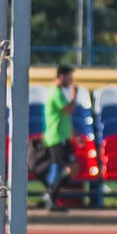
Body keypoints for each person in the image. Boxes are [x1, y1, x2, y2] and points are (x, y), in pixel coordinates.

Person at [38, 65, 78, 211]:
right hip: (56, 137)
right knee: (64, 167)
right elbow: (69, 110)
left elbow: (63, 117)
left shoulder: (58, 92)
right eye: (69, 77)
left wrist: (74, 134)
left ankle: (50, 195)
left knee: (68, 168)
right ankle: (51, 197)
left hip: (62, 137)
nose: (71, 81)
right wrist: (74, 96)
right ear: (62, 76)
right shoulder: (55, 92)